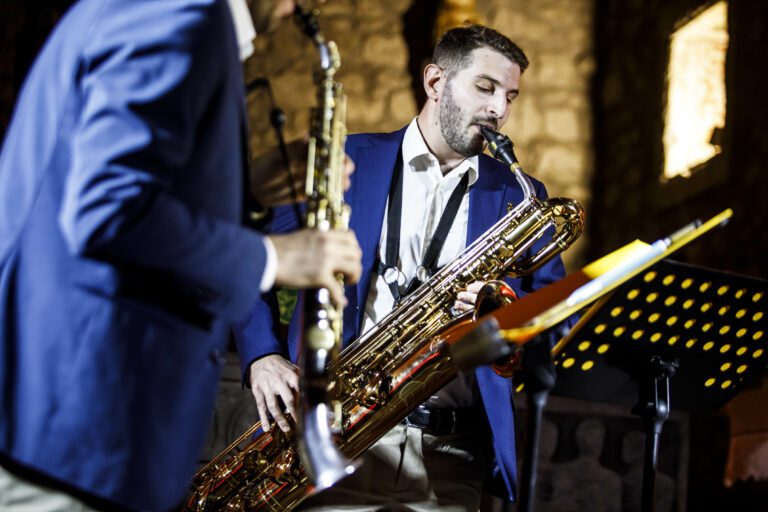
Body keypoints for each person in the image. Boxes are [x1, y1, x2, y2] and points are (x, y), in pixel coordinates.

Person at [0, 0, 361, 511]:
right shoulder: (179, 12)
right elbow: (105, 208)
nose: (296, 10)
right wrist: (271, 259)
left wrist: (251, 195)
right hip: (82, 417)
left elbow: (115, 187)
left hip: (75, 415)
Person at [237, 24, 568, 511]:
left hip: (453, 457)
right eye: (485, 87)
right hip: (338, 439)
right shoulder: (344, 161)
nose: (500, 109)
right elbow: (245, 252)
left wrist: (502, 320)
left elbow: (555, 320)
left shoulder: (521, 195)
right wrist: (260, 355)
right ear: (435, 82)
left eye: (511, 96)